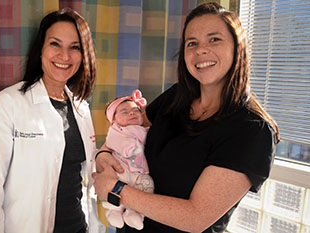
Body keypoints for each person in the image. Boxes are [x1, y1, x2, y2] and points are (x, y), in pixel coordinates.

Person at [92, 2, 280, 233]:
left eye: (214, 39)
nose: (201, 50)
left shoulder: (251, 130)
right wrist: (102, 155)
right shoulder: (175, 98)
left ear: (237, 48)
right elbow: (126, 130)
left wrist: (117, 190)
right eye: (192, 43)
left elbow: (196, 217)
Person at [0, 8, 104, 233]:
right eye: (55, 44)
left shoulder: (81, 107)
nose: (65, 56)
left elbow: (84, 179)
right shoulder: (9, 104)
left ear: (84, 55)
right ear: (40, 49)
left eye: (75, 47)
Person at [100, 90, 154, 230]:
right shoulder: (116, 130)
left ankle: (134, 213)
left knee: (148, 186)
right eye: (124, 112)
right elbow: (112, 141)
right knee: (117, 187)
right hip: (122, 169)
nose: (131, 113)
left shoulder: (145, 130)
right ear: (114, 120)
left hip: (140, 173)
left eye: (136, 110)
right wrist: (128, 147)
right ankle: (115, 211)